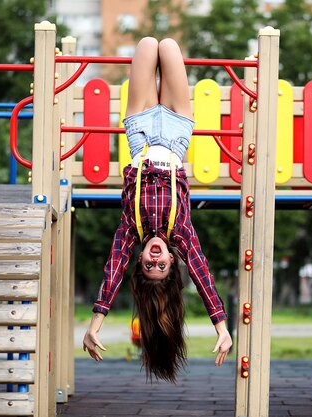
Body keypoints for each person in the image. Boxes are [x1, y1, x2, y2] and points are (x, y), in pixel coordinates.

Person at [82, 37, 233, 382]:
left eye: (148, 265)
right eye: (161, 266)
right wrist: (221, 327)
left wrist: (94, 325)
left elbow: (111, 275)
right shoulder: (182, 233)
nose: (154, 257)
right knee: (169, 47)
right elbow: (204, 277)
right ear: (171, 261)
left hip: (141, 133)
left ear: (140, 261)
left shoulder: (128, 229)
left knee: (149, 45)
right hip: (178, 133)